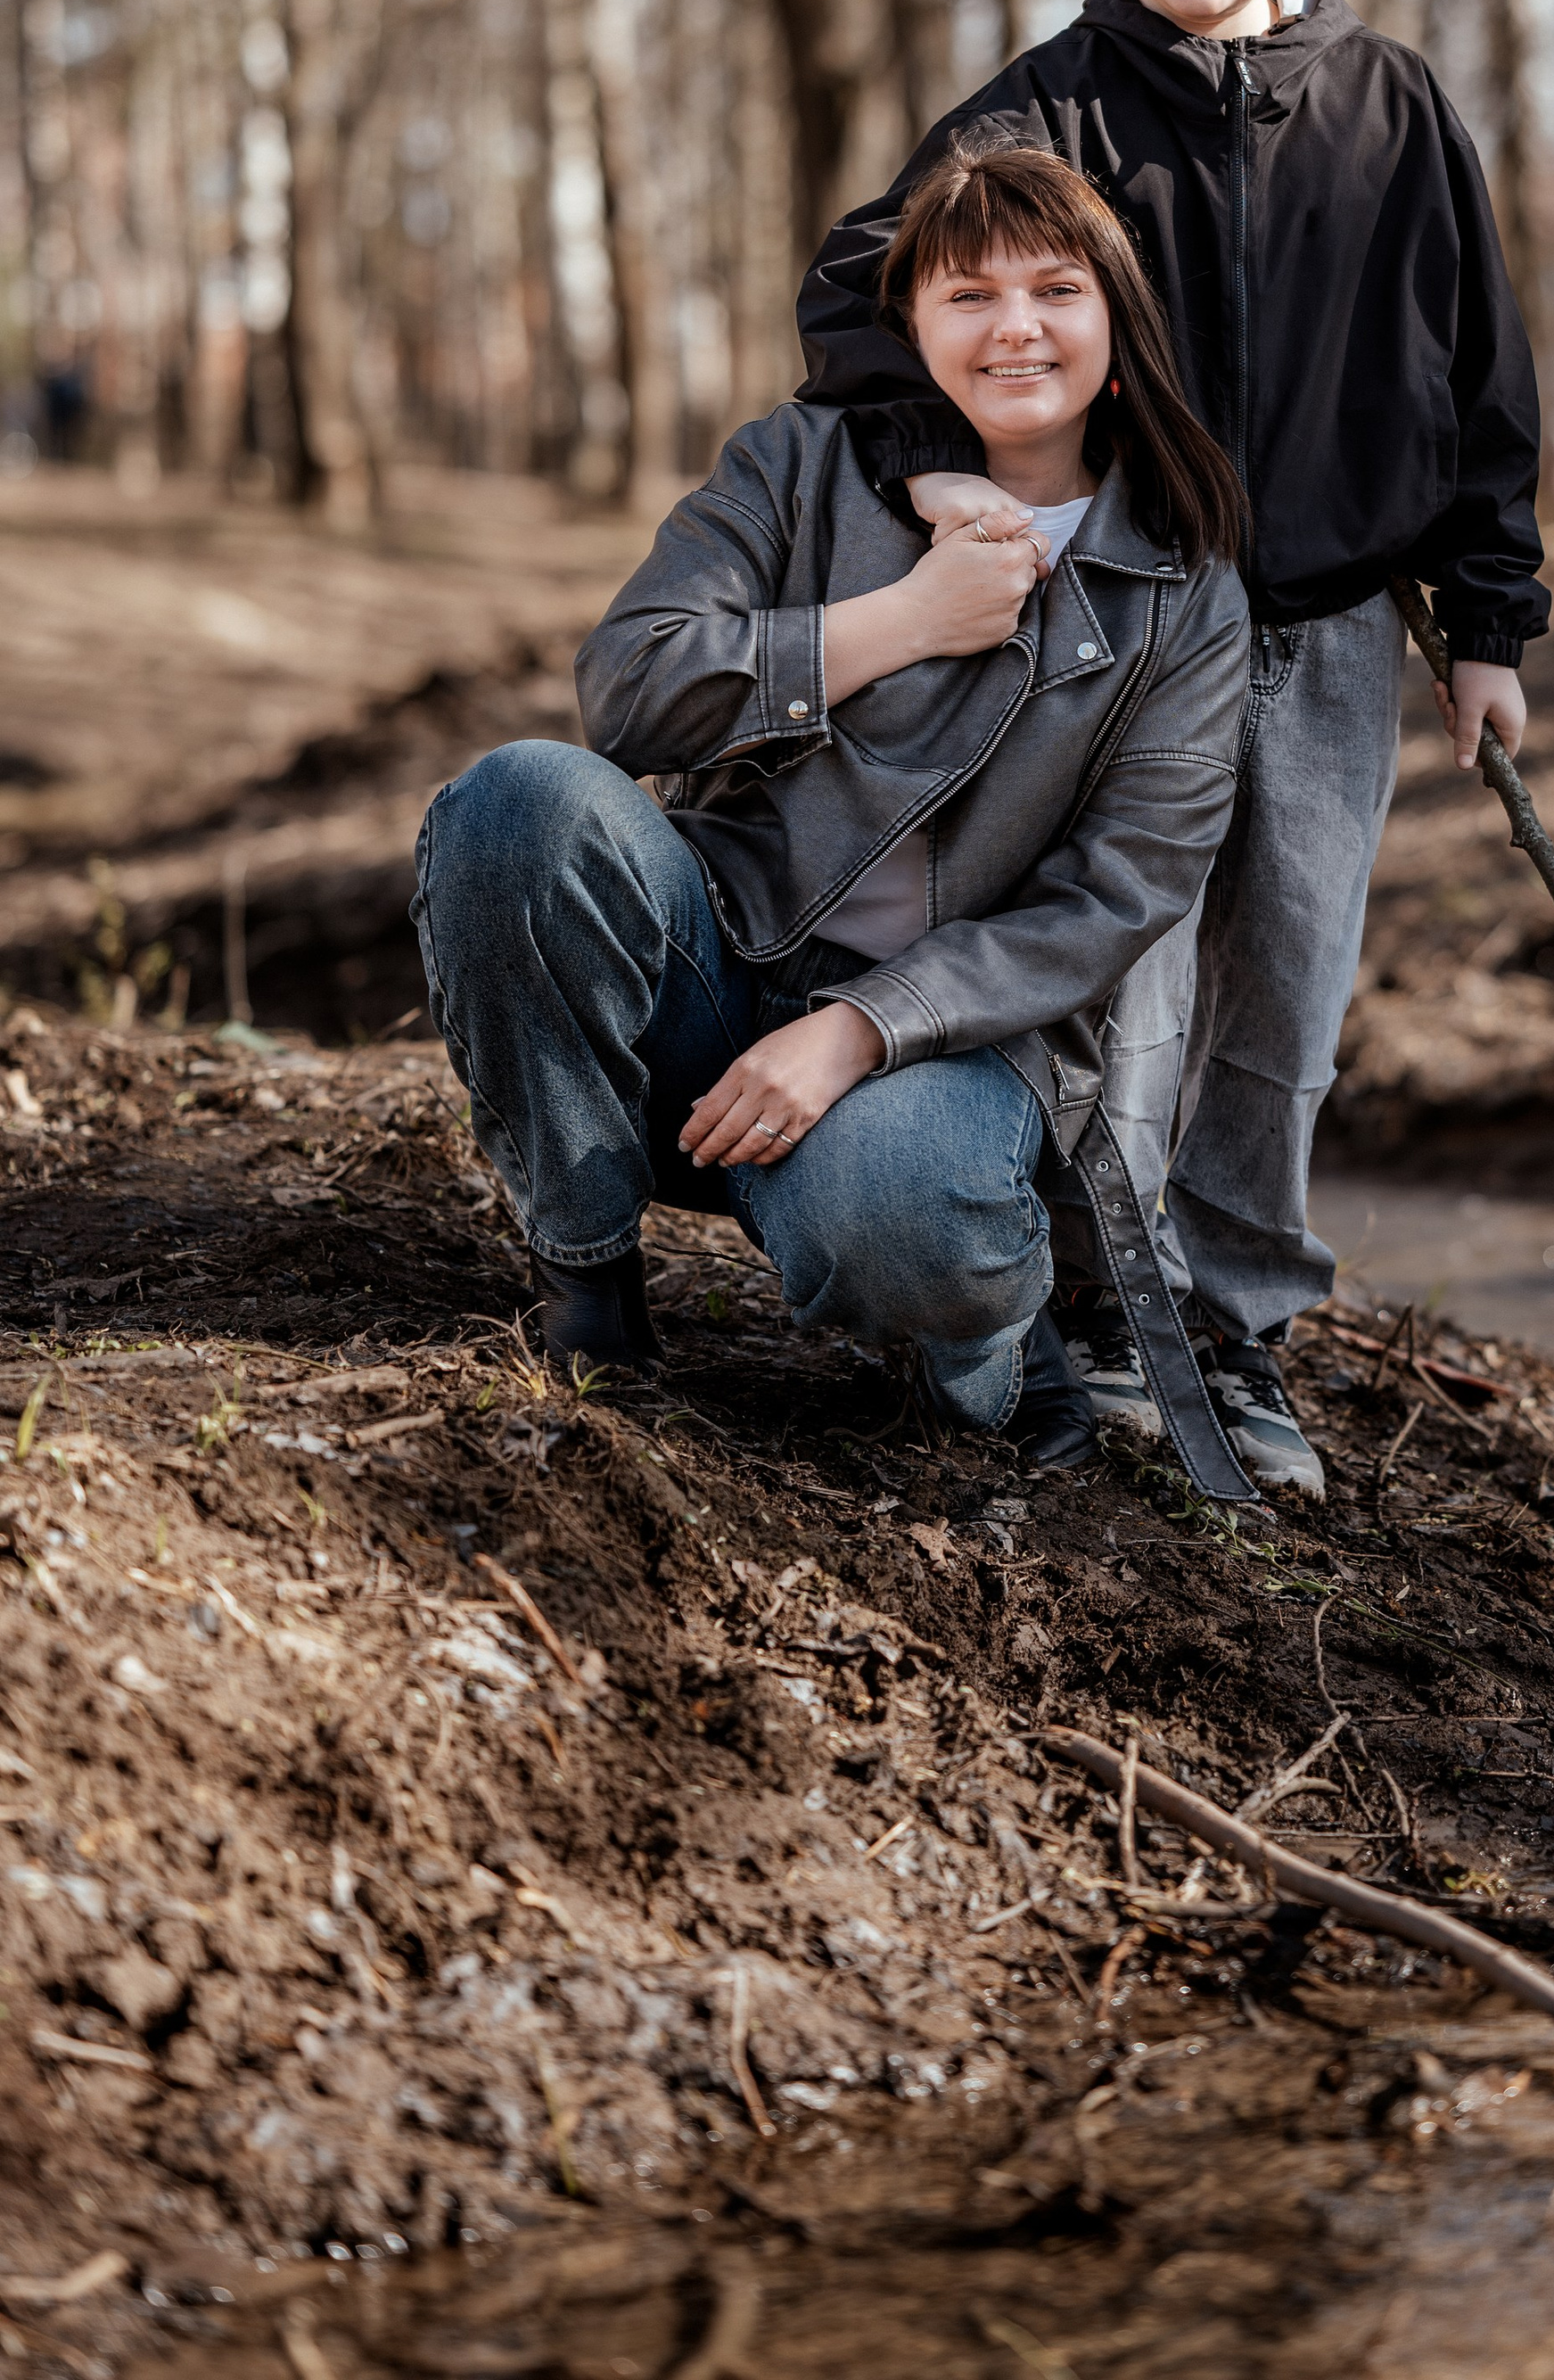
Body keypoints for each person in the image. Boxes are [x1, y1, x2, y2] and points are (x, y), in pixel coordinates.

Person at [797, 0, 1548, 1497]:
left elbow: (1480, 368)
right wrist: (938, 472)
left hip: (1329, 629)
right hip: (1121, 626)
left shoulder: (1392, 107)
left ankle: (1235, 1311)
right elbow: (855, 302)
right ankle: (1093, 1298)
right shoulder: (1036, 111)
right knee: (1117, 967)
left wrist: (1488, 613)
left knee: (1284, 970)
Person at [412, 146, 1262, 1499]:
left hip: (942, 1054)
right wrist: (898, 623)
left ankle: (973, 1341)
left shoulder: (1190, 583)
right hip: (713, 969)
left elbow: (1118, 896)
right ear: (912, 323)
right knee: (518, 803)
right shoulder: (802, 463)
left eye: (1057, 289)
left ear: (1118, 320)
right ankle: (582, 1271)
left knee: (904, 1211)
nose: (1018, 328)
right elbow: (627, 688)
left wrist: (867, 1024)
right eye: (969, 295)